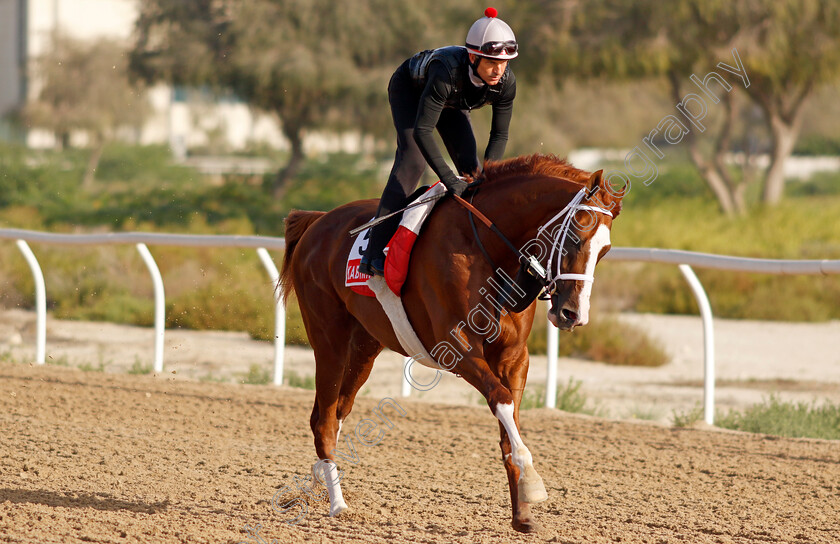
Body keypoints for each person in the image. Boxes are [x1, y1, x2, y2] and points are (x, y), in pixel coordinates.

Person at [358, 7, 518, 277]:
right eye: (491, 62)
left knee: (474, 172)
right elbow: (422, 131)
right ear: (472, 56)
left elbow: (499, 135)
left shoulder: (506, 83)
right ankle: (373, 252)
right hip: (411, 89)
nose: (498, 70)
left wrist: (489, 177)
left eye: (503, 63)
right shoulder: (447, 73)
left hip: (453, 102)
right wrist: (447, 178)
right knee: (412, 162)